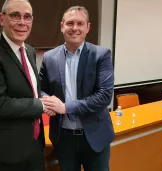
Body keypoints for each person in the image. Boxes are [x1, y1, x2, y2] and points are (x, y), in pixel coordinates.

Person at [0, 0, 50, 170]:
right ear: (2, 19)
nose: (22, 22)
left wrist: (44, 99)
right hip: (6, 150)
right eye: (15, 16)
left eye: (27, 17)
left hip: (34, 144)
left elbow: (30, 91)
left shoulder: (30, 51)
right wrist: (41, 104)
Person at [39, 6, 115, 171]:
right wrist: (48, 103)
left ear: (88, 27)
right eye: (70, 23)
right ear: (62, 26)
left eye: (80, 23)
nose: (75, 28)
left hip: (95, 138)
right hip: (64, 139)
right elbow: (40, 89)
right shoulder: (49, 57)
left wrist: (65, 108)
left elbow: (104, 96)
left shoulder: (101, 55)